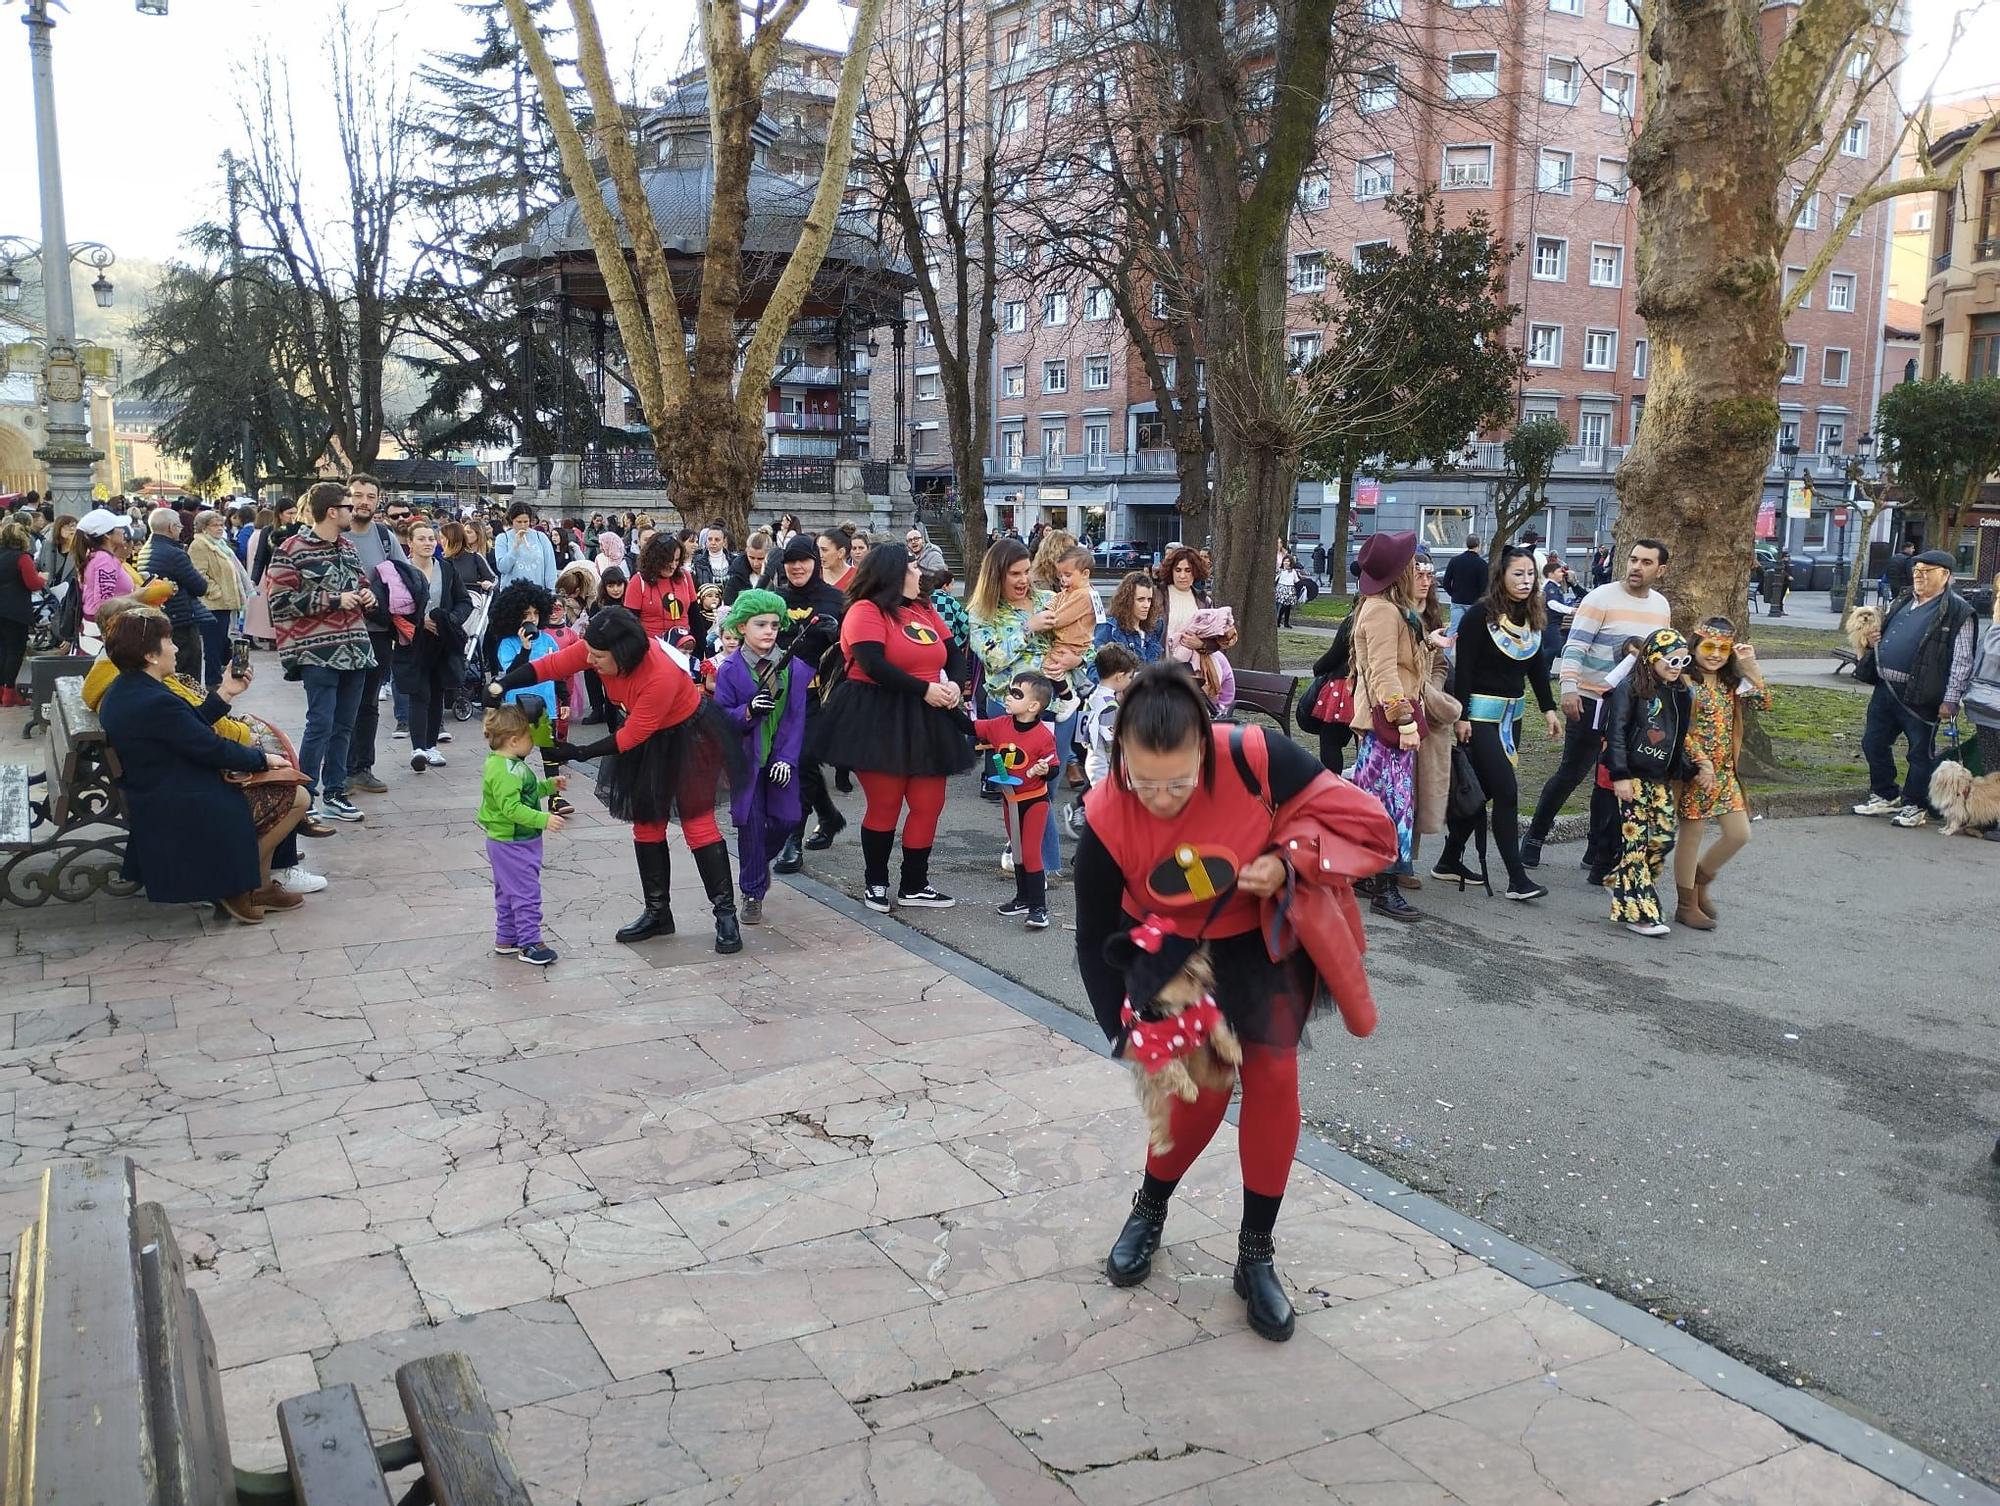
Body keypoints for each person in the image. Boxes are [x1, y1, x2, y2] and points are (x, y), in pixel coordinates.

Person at [1077, 663, 1395, 1342]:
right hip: (1170, 954)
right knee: (1201, 1093)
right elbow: (1089, 936)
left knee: (1275, 1076)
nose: (1160, 798)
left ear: (1205, 744)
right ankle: (1150, 1207)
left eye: (1180, 781)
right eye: (1145, 780)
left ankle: (1256, 1254)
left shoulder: (1256, 757)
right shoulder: (1105, 814)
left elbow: (1369, 827)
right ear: (1120, 756)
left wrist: (1291, 859)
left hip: (1255, 942)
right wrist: (1123, 1035)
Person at [496, 604, 743, 952]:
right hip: (646, 733)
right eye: (591, 654)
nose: (591, 662)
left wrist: (577, 753)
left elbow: (630, 738)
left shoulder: (659, 675)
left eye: (598, 657)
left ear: (623, 653)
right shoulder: (600, 645)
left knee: (696, 823)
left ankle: (725, 916)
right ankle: (658, 913)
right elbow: (553, 665)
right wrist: (504, 682)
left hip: (686, 735)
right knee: (646, 824)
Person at [96, 607, 307, 925]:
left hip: (162, 789)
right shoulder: (154, 699)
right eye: (168, 641)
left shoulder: (128, 690)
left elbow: (187, 730)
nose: (177, 648)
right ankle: (238, 885)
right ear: (151, 655)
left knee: (284, 785)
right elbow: (210, 748)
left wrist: (225, 693)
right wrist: (263, 759)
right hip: (184, 800)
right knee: (297, 797)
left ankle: (256, 885)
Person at [811, 542, 974, 912]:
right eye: (914, 568)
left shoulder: (924, 609)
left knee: (928, 803)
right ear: (894, 574)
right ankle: (877, 882)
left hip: (929, 713)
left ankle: (915, 884)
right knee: (885, 804)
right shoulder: (865, 611)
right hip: (878, 714)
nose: (921, 574)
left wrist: (952, 685)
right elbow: (873, 665)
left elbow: (953, 654)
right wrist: (925, 689)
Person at [1521, 539, 1673, 877]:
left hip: (1633, 707)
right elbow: (1575, 645)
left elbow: (1656, 657)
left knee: (1610, 779)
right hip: (1591, 699)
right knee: (1572, 772)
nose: (1636, 567)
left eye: (1646, 562)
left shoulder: (1661, 606)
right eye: (1633, 559)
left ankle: (1597, 852)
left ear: (1660, 570)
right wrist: (1570, 688)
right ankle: (1534, 838)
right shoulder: (1600, 598)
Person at [1440, 546, 1560, 900]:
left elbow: (1537, 669)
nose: (1525, 581)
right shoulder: (1479, 615)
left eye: (1529, 574)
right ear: (1501, 576)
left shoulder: (1535, 615)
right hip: (1479, 718)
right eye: (1517, 574)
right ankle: (1517, 879)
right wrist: (1460, 716)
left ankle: (1448, 859)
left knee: (1485, 792)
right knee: (1507, 792)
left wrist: (1548, 709)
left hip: (1514, 718)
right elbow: (1465, 669)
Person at [265, 481, 377, 825]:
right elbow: (278, 602)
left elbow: (360, 584)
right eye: (348, 506)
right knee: (321, 723)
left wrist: (366, 597)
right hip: (317, 652)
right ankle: (306, 797)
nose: (354, 510)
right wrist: (332, 600)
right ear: (332, 511)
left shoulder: (347, 547)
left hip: (356, 649)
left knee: (345, 725)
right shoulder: (291, 549)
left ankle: (335, 792)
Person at [1852, 549, 1976, 828]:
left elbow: (1962, 659)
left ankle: (1915, 805)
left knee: (1919, 753)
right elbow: (1890, 635)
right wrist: (1875, 642)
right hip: (1887, 689)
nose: (1918, 576)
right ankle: (1885, 794)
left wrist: (1951, 699)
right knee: (1873, 742)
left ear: (1945, 575)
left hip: (1923, 693)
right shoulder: (1904, 600)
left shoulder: (1958, 611)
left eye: (1926, 571)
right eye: (1916, 571)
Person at [1345, 532, 1433, 921]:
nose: (1419, 568)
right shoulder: (1381, 610)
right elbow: (1382, 671)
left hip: (1387, 721)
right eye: (1413, 563)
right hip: (1389, 722)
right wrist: (1405, 720)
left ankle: (1369, 877)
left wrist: (1430, 642)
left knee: (1378, 802)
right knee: (1390, 807)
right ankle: (1384, 887)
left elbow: (1397, 659)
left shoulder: (1393, 608)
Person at [1603, 630, 1711, 937]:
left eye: (1683, 660)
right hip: (1632, 776)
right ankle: (1640, 913)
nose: (1677, 666)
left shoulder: (1680, 693)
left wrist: (1689, 771)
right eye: (1671, 660)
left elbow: (1674, 740)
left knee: (1662, 839)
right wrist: (1620, 775)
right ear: (1652, 657)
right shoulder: (1630, 689)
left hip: (1659, 778)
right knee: (1634, 847)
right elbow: (1617, 734)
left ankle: (1617, 883)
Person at [712, 590, 810, 925]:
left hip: (781, 761)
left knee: (786, 820)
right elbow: (722, 717)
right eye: (760, 624)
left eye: (773, 624)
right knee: (750, 826)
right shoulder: (730, 670)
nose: (769, 631)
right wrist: (748, 711)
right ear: (741, 627)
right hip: (746, 763)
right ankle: (752, 891)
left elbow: (796, 717)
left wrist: (787, 758)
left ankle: (755, 863)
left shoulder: (793, 667)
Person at [970, 538, 1065, 876]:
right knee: (1022, 787)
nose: (1024, 579)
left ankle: (1032, 856)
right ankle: (1041, 866)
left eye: (1027, 571)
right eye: (1015, 573)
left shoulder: (1049, 600)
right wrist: (1029, 627)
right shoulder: (981, 613)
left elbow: (1079, 643)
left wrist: (1071, 659)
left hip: (1056, 708)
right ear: (997, 575)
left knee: (1047, 785)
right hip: (1007, 710)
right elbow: (993, 657)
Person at [1672, 618, 1768, 929]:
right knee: (1692, 836)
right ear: (1695, 647)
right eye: (1709, 647)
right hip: (1695, 773)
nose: (1715, 655)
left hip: (1726, 773)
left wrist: (1749, 663)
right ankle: (1685, 904)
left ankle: (1700, 883)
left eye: (1723, 649)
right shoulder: (1684, 681)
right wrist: (1702, 763)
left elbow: (1764, 701)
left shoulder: (1731, 683)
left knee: (1739, 834)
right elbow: (1679, 729)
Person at [771, 534, 848, 867]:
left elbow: (854, 643)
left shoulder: (835, 598)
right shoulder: (774, 598)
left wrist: (836, 633)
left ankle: (793, 840)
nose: (796, 567)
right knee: (801, 762)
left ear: (815, 563)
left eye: (803, 560)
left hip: (822, 694)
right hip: (782, 694)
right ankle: (830, 817)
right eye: (790, 561)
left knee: (801, 761)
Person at [477, 702, 566, 966]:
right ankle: (530, 942)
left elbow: (524, 793)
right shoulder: (506, 770)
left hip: (506, 842)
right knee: (526, 892)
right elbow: (512, 808)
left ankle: (506, 938)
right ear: (515, 740)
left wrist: (548, 786)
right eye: (530, 737)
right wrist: (543, 819)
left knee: (507, 891)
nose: (533, 743)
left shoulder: (505, 764)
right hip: (514, 842)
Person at [974, 671, 1060, 930]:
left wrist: (1045, 770)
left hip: (1034, 800)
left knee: (1031, 852)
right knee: (1019, 852)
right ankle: (1023, 898)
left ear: (1033, 706)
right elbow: (971, 727)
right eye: (1010, 691)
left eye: (1016, 693)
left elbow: (1054, 766)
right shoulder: (999, 724)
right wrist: (947, 704)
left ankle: (1039, 909)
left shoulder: (1044, 735)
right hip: (1009, 800)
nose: (1008, 697)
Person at [388, 520, 473, 772]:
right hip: (412, 640)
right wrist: (419, 623)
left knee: (437, 692)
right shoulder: (401, 571)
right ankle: (418, 748)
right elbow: (392, 608)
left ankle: (431, 745)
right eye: (421, 539)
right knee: (419, 692)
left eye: (431, 539)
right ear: (410, 543)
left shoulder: (446, 569)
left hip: (442, 640)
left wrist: (450, 619)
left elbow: (464, 601)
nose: (427, 543)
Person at [341, 476, 406, 796]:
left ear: (378, 500)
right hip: (341, 631)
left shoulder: (384, 536)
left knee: (368, 702)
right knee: (342, 703)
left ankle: (362, 768)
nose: (363, 501)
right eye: (357, 495)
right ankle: (339, 769)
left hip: (378, 631)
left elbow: (404, 577)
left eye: (370, 496)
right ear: (346, 497)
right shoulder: (334, 532)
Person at [135, 507, 215, 680]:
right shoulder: (174, 554)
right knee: (187, 674)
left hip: (160, 616)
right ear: (171, 528)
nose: (181, 530)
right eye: (179, 526)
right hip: (181, 620)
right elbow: (200, 587)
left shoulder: (145, 550)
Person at [188, 511, 248, 687]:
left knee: (222, 640)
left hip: (225, 602)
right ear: (203, 527)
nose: (220, 528)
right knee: (214, 644)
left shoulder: (220, 544)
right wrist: (216, 592)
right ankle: (213, 681)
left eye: (221, 525)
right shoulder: (199, 545)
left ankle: (224, 674)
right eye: (215, 525)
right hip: (212, 603)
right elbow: (199, 574)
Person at [1963, 575, 2000, 842]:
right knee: (1991, 765)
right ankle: (1992, 817)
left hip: (1994, 705)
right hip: (1987, 708)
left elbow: (1996, 652)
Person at [0, 520, 47, 707]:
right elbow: (33, 584)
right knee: (15, 651)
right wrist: (43, 579)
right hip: (15, 611)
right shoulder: (22, 557)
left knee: (1, 650)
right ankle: (10, 694)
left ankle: (1, 691)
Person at [627, 532, 700, 650]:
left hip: (683, 648)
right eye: (668, 560)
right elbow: (630, 624)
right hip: (652, 650)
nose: (673, 565)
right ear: (655, 559)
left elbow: (694, 616)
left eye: (676, 560)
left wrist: (699, 650)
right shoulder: (638, 581)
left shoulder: (685, 577)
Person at [1043, 545, 1098, 680]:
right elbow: (1054, 601)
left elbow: (1057, 620)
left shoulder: (1083, 595)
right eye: (1061, 575)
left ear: (1085, 574)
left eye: (1068, 575)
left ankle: (1069, 696)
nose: (1063, 579)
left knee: (1050, 669)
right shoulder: (1071, 591)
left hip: (1072, 646)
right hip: (1067, 644)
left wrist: (1047, 616)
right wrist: (1049, 609)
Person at [1095, 571, 1165, 664]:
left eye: (1149, 600)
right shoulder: (1109, 628)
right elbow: (1095, 667)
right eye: (1140, 600)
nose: (1147, 605)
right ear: (1127, 600)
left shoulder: (1154, 628)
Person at [1151, 546, 1210, 648]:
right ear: (1171, 571)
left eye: (1188, 570)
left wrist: (1202, 645)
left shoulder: (1204, 601)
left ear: (1195, 572)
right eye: (1178, 570)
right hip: (1162, 662)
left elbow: (1215, 638)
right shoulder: (1157, 596)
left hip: (1194, 662)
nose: (1182, 576)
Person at [495, 501, 558, 592]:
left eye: (526, 521)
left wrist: (551, 592)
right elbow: (503, 568)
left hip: (537, 593)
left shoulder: (541, 537)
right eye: (519, 522)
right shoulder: (503, 538)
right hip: (511, 594)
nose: (523, 525)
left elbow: (550, 567)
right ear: (511, 520)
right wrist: (515, 546)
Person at [1440, 536, 1487, 631]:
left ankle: (1450, 646)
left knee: (1454, 630)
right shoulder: (1482, 564)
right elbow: (1484, 587)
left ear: (1466, 544)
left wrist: (1453, 593)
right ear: (1479, 545)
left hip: (1457, 601)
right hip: (1474, 604)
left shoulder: (1454, 561)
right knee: (1473, 630)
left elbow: (1446, 582)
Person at [727, 529, 774, 602]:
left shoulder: (777, 574)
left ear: (769, 555)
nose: (755, 563)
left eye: (760, 559)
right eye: (751, 558)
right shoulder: (737, 573)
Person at [1541, 558, 1578, 652]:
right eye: (1559, 572)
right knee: (1554, 647)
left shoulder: (1555, 587)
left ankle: (1545, 666)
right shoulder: (1550, 587)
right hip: (1550, 623)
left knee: (1553, 647)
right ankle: (1542, 666)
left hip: (1555, 622)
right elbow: (1552, 603)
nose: (1562, 574)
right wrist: (1570, 610)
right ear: (1551, 574)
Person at [691, 524, 741, 593]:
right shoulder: (697, 562)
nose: (713, 543)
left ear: (724, 542)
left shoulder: (735, 561)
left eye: (717, 540)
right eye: (710, 539)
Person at [1275, 554, 1301, 629]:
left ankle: (1286, 622)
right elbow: (1275, 579)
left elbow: (1296, 580)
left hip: (1290, 589)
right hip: (1282, 588)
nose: (1286, 563)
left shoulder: (1293, 571)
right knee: (1283, 605)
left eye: (1288, 561)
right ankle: (1278, 620)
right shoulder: (1280, 570)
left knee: (1288, 607)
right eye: (1285, 561)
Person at [1767, 549, 1791, 618]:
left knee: (1782, 597)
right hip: (1782, 582)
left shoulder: (1786, 563)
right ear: (1783, 557)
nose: (1788, 558)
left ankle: (1780, 609)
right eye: (1786, 557)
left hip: (1786, 582)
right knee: (1780, 597)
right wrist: (1788, 576)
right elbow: (1782, 571)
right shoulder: (1781, 563)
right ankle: (1779, 609)